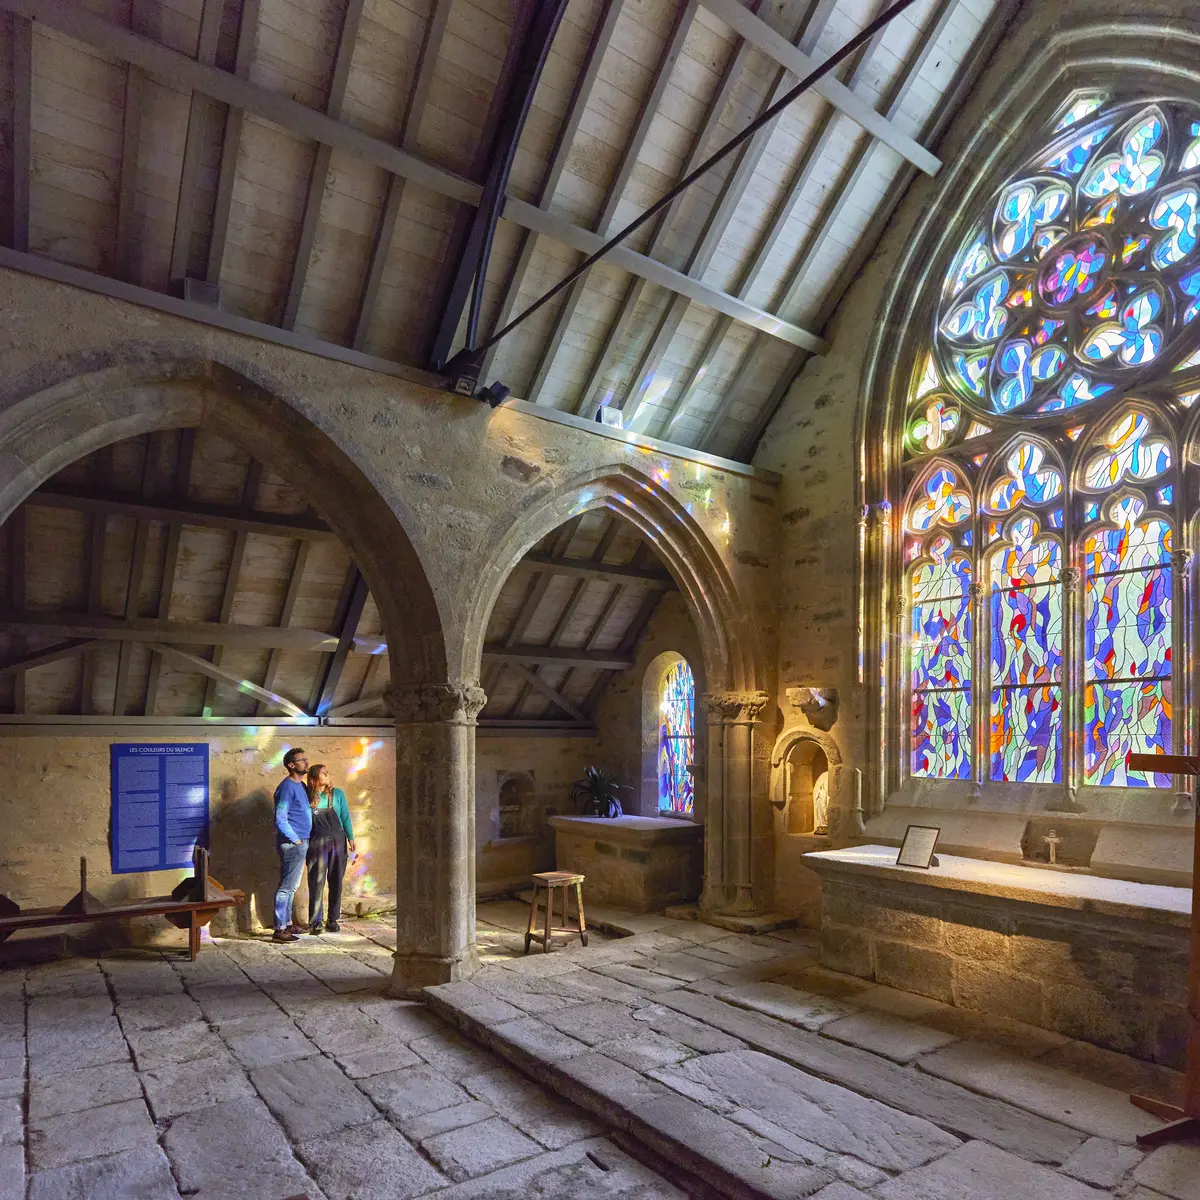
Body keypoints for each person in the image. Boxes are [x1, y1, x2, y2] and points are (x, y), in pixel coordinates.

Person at [305, 764, 355, 934]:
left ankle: (332, 920)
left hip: (338, 842)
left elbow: (345, 817)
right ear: (314, 778)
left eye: (327, 772)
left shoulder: (337, 794)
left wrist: (351, 837)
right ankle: (315, 922)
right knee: (316, 883)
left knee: (336, 882)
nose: (327, 775)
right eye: (323, 773)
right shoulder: (308, 797)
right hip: (317, 844)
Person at [272, 746, 311, 943]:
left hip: (301, 841)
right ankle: (279, 929)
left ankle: (287, 924)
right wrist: (295, 839)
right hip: (293, 844)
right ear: (291, 765)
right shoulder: (286, 787)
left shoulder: (301, 786)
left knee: (291, 886)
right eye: (302, 759)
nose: (306, 762)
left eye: (306, 759)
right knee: (287, 887)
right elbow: (280, 819)